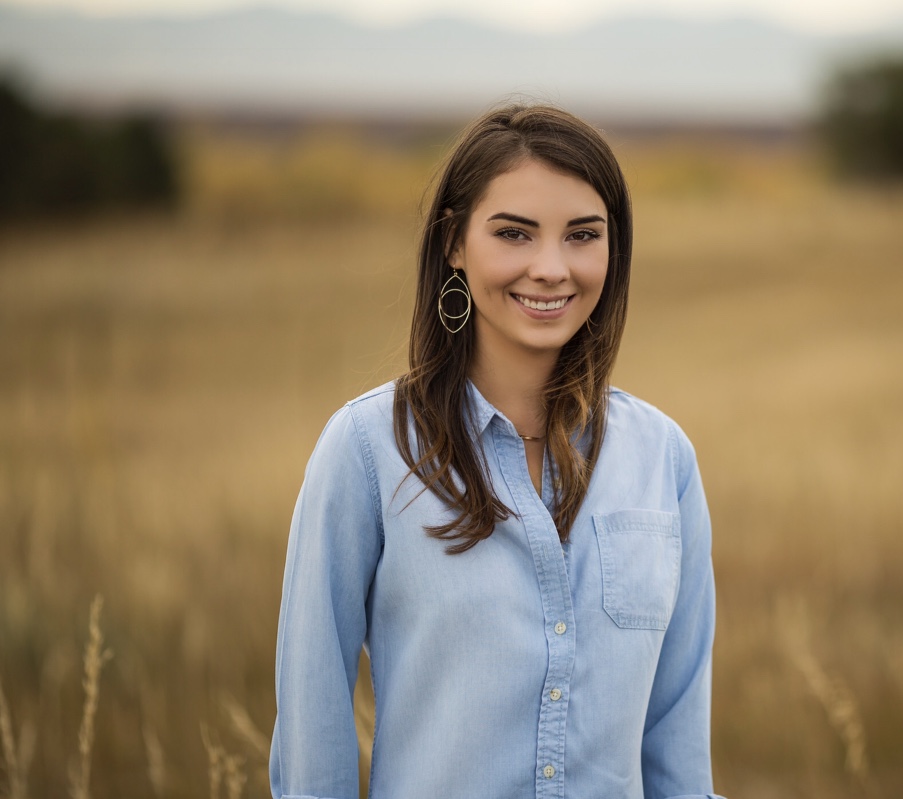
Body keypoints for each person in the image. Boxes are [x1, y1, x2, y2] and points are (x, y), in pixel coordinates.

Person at [269, 104, 722, 799]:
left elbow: (679, 756)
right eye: (514, 233)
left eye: (583, 235)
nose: (551, 268)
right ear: (454, 242)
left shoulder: (663, 457)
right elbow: (312, 745)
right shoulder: (366, 450)